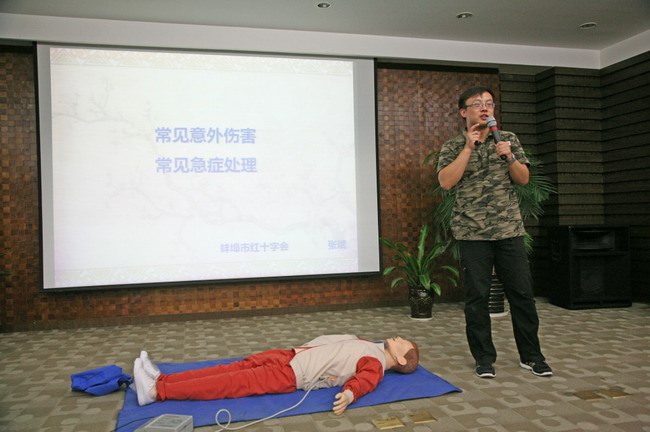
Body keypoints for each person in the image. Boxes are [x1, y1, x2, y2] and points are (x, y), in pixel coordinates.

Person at [436, 85, 552, 379]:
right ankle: (484, 358)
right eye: (477, 104)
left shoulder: (508, 139)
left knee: (522, 295)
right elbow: (446, 182)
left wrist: (509, 156)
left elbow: (523, 179)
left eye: (489, 103)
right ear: (463, 112)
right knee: (477, 298)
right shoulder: (453, 146)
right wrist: (468, 147)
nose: (485, 108)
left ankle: (532, 356)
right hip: (472, 233)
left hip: (508, 230)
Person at [133, 334, 419, 415]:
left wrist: (349, 394)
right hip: (292, 355)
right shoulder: (371, 345)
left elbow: (365, 381)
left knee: (228, 382)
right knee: (232, 368)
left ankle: (157, 392)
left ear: (401, 358)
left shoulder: (375, 362)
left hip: (294, 373)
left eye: (403, 342)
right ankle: (163, 380)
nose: (399, 337)